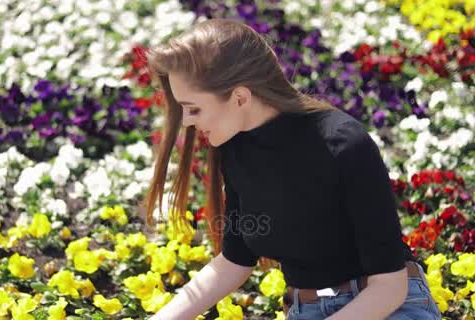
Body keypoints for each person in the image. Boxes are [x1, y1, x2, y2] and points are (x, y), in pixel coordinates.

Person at [141, 18, 443, 320]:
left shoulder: (342, 143)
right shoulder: (237, 150)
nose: (187, 122)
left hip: (388, 306)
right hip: (307, 309)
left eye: (193, 109)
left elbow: (388, 287)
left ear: (240, 97)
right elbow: (233, 262)